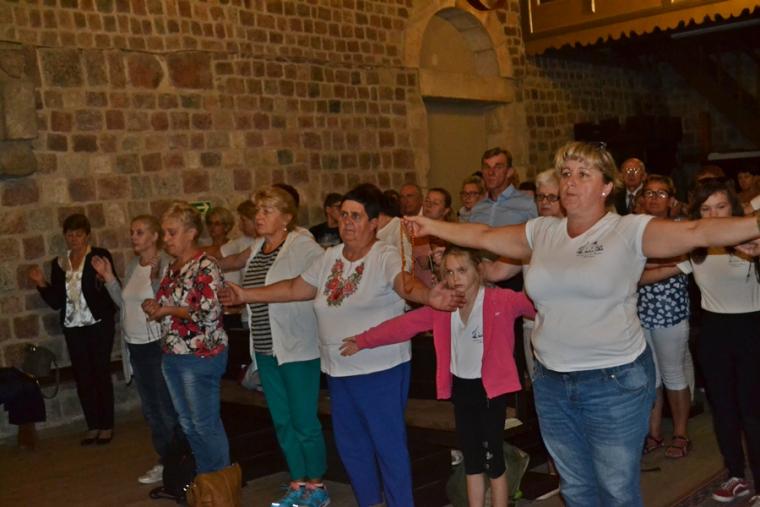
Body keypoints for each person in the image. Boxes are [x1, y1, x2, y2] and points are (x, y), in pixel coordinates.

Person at [404, 141, 760, 507]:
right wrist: (430, 225)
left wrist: (754, 224)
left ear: (607, 186)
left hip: (614, 381)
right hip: (552, 382)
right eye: (566, 174)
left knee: (616, 491)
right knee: (575, 490)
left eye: (583, 174)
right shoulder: (543, 231)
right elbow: (481, 236)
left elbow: (698, 232)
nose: (570, 182)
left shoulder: (628, 230)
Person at [220, 183, 463, 507]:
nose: (347, 222)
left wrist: (429, 295)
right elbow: (295, 288)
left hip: (381, 370)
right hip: (338, 370)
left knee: (387, 448)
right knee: (352, 449)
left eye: (356, 216)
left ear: (374, 223)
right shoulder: (330, 257)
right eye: (344, 215)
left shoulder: (384, 255)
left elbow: (406, 284)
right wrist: (246, 294)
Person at [340, 246, 535, 507]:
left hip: (491, 391)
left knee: (494, 460)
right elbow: (404, 326)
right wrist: (364, 340)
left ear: (479, 270)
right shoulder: (443, 306)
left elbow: (542, 308)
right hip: (462, 390)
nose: (455, 278)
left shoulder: (501, 300)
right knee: (472, 460)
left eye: (462, 270)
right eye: (449, 272)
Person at [644, 179, 760, 504]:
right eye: (706, 209)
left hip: (752, 329)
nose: (714, 215)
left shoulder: (751, 239)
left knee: (752, 413)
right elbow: (656, 271)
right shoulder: (696, 248)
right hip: (714, 333)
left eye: (721, 207)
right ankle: (736, 475)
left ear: (733, 208)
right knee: (722, 410)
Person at [228, 186, 329, 506]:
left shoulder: (303, 245)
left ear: (286, 217)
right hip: (265, 347)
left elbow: (316, 285)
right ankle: (297, 481)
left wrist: (249, 295)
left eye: (266, 211)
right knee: (282, 420)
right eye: (257, 211)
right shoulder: (258, 247)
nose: (259, 217)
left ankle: (317, 486)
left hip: (297, 346)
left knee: (304, 421)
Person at [141, 202, 239, 500]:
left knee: (204, 424)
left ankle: (221, 490)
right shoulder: (172, 267)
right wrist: (154, 306)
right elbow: (167, 303)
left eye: (172, 232)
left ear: (192, 233)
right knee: (188, 424)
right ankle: (205, 483)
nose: (166, 239)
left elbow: (208, 312)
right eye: (164, 233)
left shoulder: (206, 265)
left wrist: (167, 310)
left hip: (200, 355)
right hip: (173, 353)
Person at [91, 215, 178, 483]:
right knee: (151, 410)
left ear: (155, 236)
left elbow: (167, 302)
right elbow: (123, 304)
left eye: (140, 232)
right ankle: (165, 460)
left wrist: (155, 278)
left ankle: (177, 462)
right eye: (132, 232)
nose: (133, 237)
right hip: (135, 346)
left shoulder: (166, 263)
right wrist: (108, 277)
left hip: (156, 345)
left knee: (165, 407)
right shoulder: (132, 265)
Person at [28, 213, 117, 446]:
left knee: (100, 373)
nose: (74, 239)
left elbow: (111, 288)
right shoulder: (59, 263)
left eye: (78, 234)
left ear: (87, 235)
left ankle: (106, 425)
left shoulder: (99, 256)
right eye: (69, 235)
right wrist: (41, 284)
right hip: (73, 327)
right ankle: (93, 425)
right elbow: (57, 301)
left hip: (98, 324)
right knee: (83, 376)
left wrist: (102, 278)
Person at [636, 176, 694, 459]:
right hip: (640, 313)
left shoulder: (680, 228)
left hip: (671, 313)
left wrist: (644, 266)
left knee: (673, 373)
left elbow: (685, 262)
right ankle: (654, 433)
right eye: (649, 193)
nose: (654, 198)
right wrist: (672, 264)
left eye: (661, 193)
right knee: (652, 377)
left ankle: (681, 434)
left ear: (671, 200)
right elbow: (630, 270)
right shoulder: (636, 228)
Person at [463, 147, 536, 227]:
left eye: (498, 167)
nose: (491, 172)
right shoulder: (477, 208)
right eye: (487, 167)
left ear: (509, 172)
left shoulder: (527, 205)